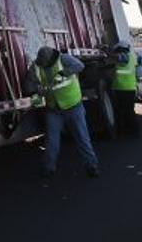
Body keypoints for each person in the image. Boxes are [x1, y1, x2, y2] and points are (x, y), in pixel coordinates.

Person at [25, 46, 100, 179]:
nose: (44, 65)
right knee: (52, 141)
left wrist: (64, 73)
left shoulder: (63, 59)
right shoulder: (36, 67)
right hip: (54, 109)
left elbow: (80, 65)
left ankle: (91, 165)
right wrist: (37, 90)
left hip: (73, 106)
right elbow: (29, 86)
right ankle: (48, 168)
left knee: (82, 137)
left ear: (51, 59)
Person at [109, 40, 141, 138]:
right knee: (128, 110)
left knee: (125, 111)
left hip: (123, 89)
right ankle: (131, 130)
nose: (117, 52)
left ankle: (131, 131)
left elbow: (118, 57)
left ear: (121, 49)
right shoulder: (132, 56)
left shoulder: (125, 56)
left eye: (118, 50)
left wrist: (107, 52)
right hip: (129, 88)